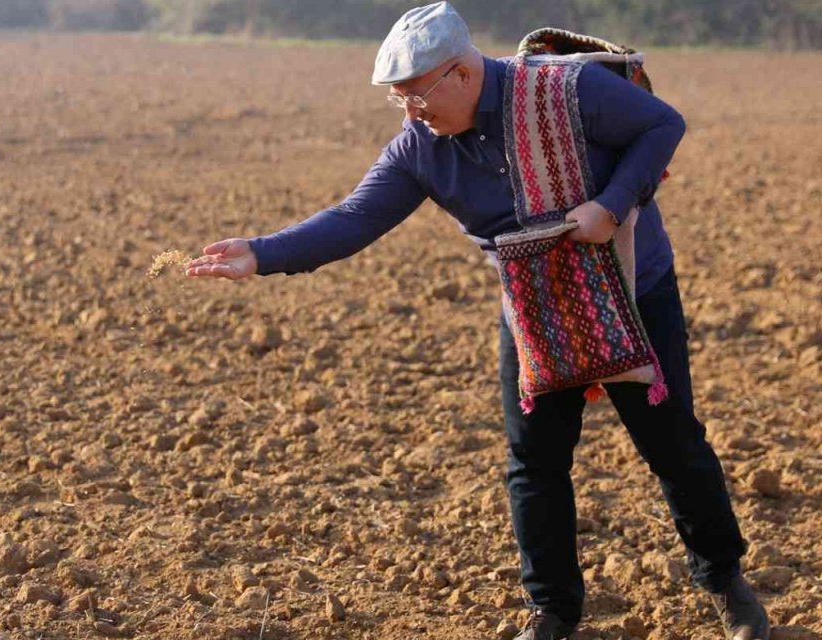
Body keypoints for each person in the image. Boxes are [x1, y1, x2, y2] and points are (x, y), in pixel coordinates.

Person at [184, 3, 771, 639]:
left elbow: (662, 125)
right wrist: (262, 253)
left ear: (463, 73)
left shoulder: (567, 89)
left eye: (417, 94)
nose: (410, 110)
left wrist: (611, 202)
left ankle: (724, 582)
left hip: (632, 289)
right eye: (398, 98)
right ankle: (552, 612)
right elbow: (354, 218)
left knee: (673, 446)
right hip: (534, 308)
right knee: (536, 462)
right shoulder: (419, 151)